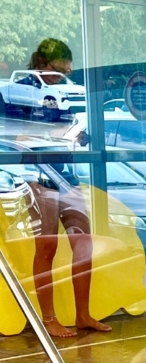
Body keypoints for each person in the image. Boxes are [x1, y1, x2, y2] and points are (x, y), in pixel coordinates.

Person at [25, 39, 111, 338]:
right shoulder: (20, 91)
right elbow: (13, 132)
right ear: (41, 63)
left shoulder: (63, 92)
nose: (64, 76)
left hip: (66, 176)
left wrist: (80, 135)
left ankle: (83, 314)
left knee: (83, 243)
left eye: (67, 72)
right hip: (37, 176)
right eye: (59, 71)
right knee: (47, 247)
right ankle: (48, 318)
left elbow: (71, 127)